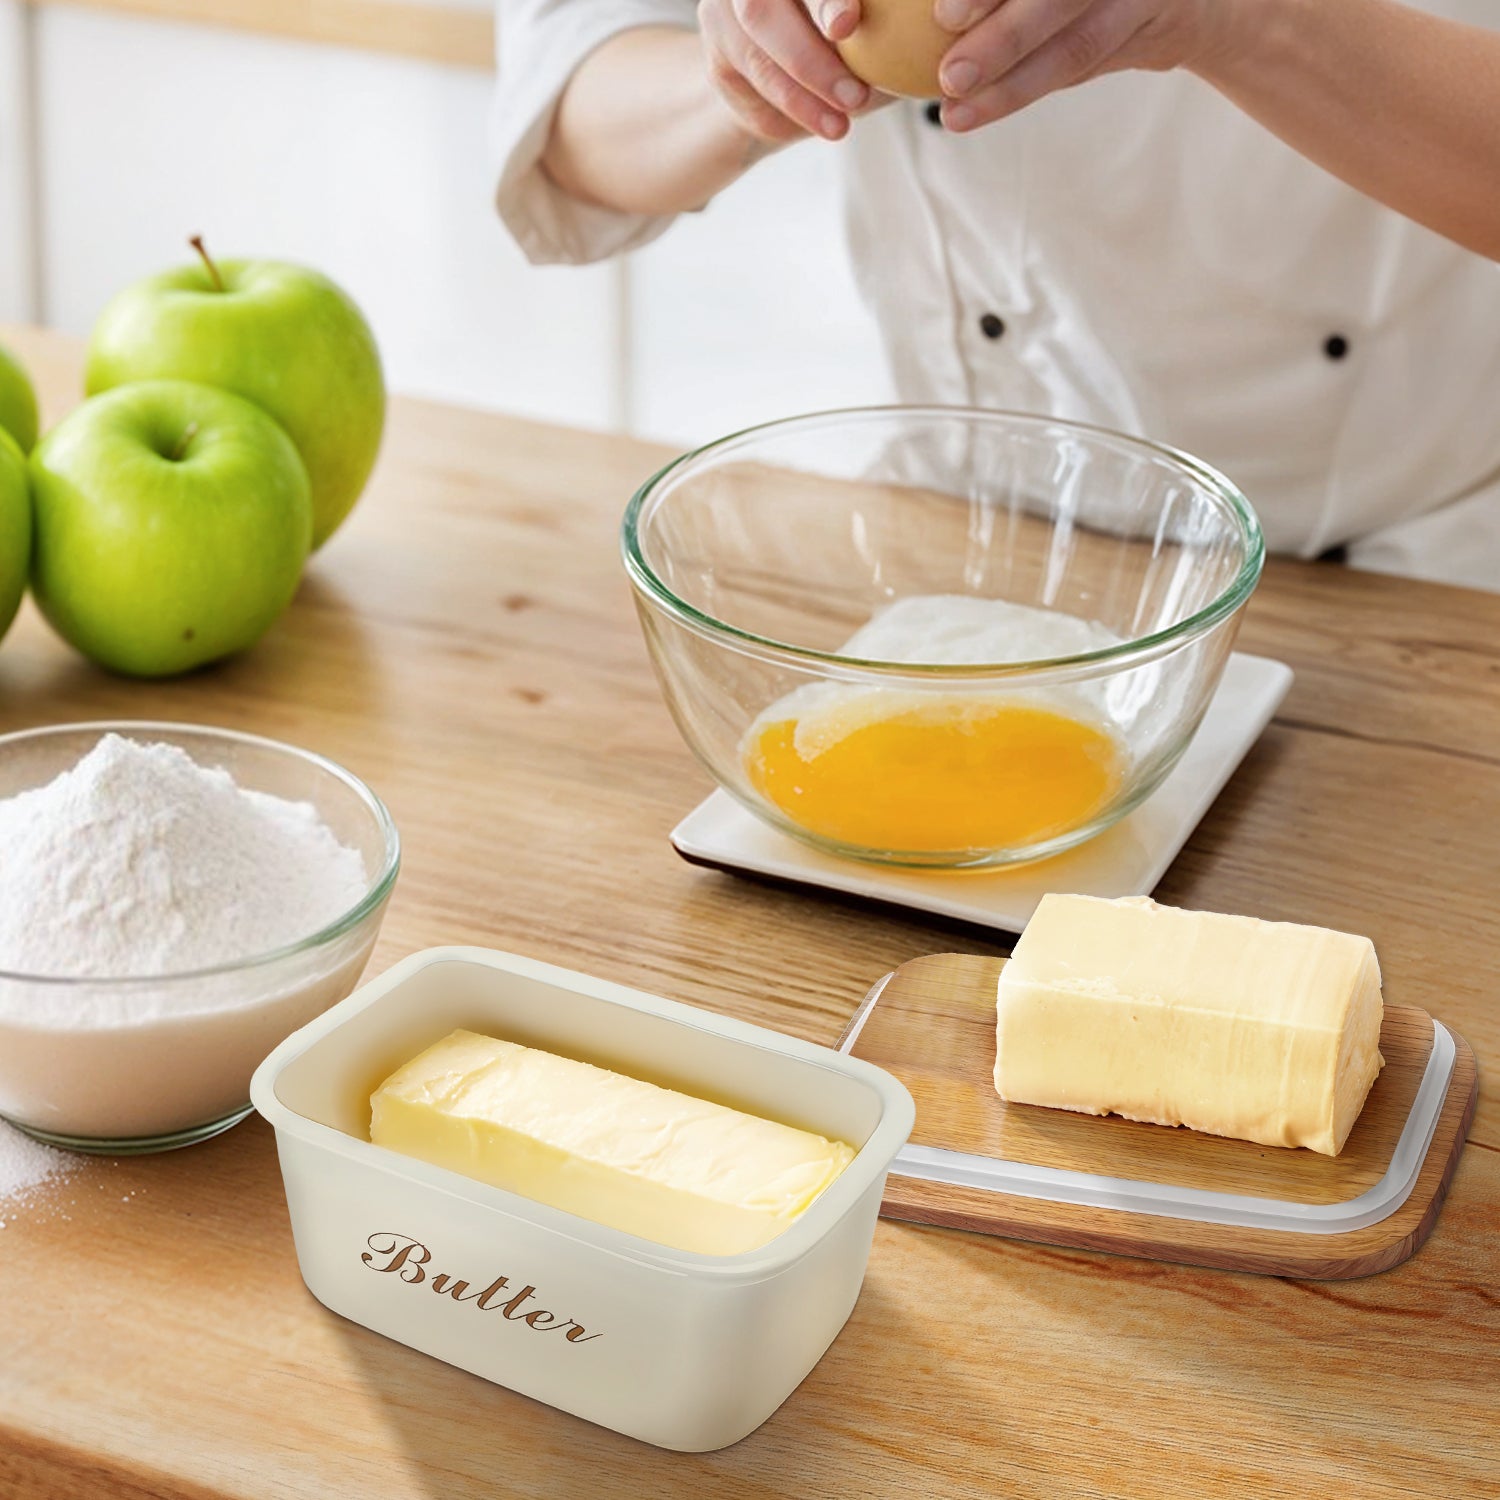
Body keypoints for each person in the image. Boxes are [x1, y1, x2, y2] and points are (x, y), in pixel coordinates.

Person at [492, 0, 1500, 590]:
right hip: (964, 540)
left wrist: (1234, 19)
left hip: (1421, 568)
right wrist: (759, 73)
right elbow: (576, 116)